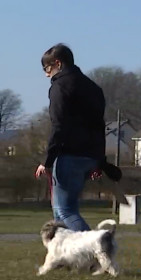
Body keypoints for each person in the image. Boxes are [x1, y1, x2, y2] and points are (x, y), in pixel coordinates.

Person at [34, 44, 106, 231]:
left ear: (58, 63)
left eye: (47, 69)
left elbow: (59, 126)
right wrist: (99, 159)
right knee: (62, 213)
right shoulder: (93, 88)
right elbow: (99, 126)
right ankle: (70, 257)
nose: (46, 74)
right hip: (90, 155)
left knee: (65, 211)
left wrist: (47, 161)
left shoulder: (60, 87)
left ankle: (92, 249)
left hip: (69, 155)